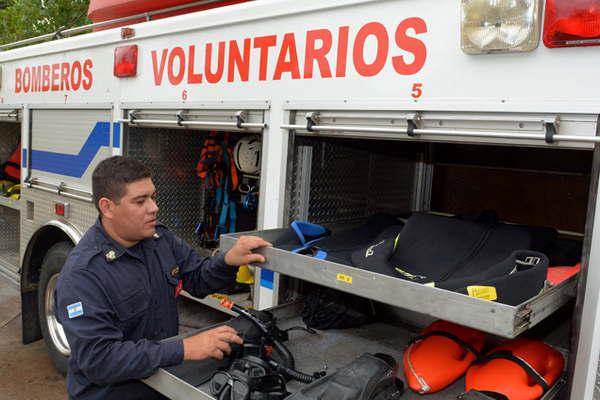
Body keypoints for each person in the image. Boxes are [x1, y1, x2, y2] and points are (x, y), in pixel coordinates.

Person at [55, 156, 271, 400]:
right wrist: (185, 348)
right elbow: (99, 360)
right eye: (140, 201)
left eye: (153, 197)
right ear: (107, 207)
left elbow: (198, 279)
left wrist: (228, 259)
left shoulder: (159, 240)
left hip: (162, 385)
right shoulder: (83, 275)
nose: (154, 208)